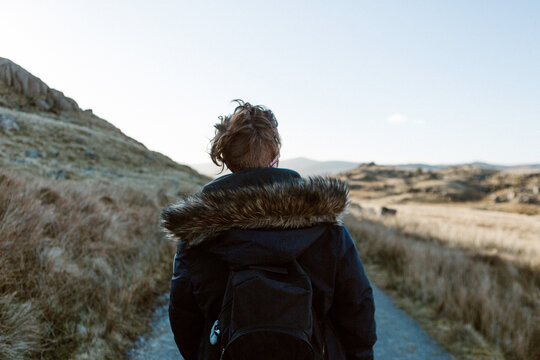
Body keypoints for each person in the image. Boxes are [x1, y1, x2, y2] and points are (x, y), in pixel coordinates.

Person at [160, 99, 377, 360]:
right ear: (276, 158)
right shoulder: (327, 230)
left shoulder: (197, 236)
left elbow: (184, 318)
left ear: (226, 160)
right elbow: (357, 309)